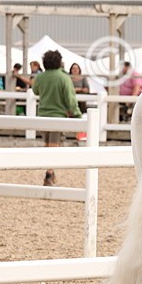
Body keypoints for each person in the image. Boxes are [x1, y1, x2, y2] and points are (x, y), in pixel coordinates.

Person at [33, 50, 81, 186]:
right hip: (58, 116)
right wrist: (77, 115)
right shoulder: (63, 78)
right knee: (54, 145)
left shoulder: (40, 77)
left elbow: (35, 90)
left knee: (47, 144)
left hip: (43, 115)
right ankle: (49, 174)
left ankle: (50, 172)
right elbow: (70, 100)